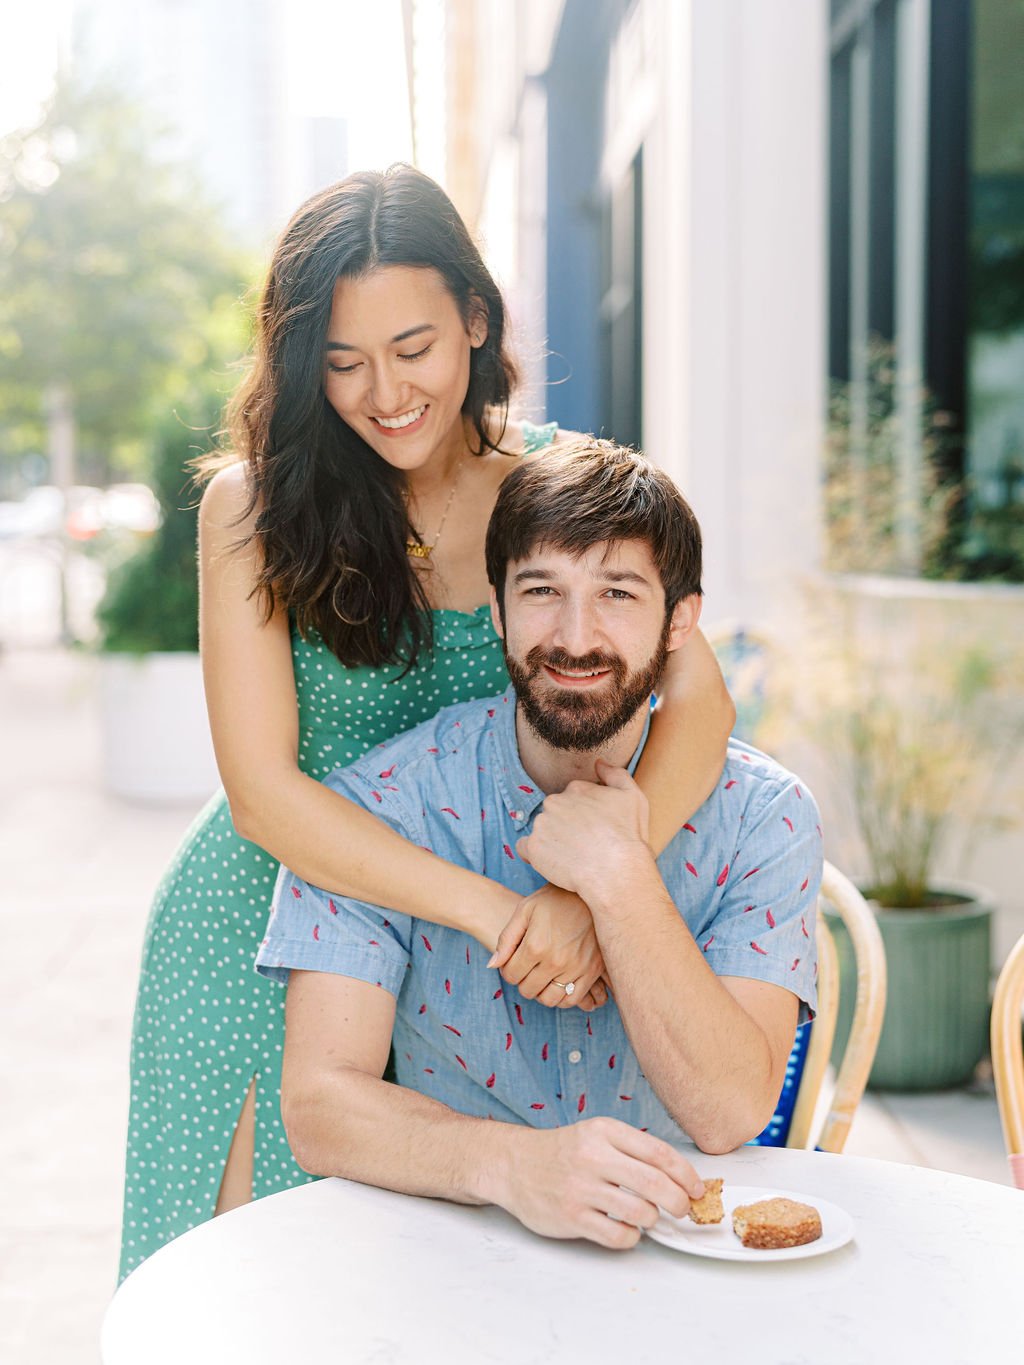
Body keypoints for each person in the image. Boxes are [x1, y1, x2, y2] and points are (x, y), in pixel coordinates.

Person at [118, 167, 735, 1280]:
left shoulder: (552, 487)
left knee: (445, 1295)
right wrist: (506, 913)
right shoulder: (252, 508)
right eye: (342, 363)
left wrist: (596, 886)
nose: (384, 392)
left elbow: (698, 696)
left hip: (486, 971)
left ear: (477, 321)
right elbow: (263, 793)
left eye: (414, 349)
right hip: (266, 938)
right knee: (257, 1298)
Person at [257, 440, 822, 1250]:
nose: (576, 634)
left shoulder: (766, 817)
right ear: (497, 610)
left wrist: (618, 877)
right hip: (451, 1255)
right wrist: (512, 1166)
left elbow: (730, 1110)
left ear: (681, 622)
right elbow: (320, 1107)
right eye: (542, 591)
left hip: (680, 1260)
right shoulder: (382, 808)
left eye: (618, 593)